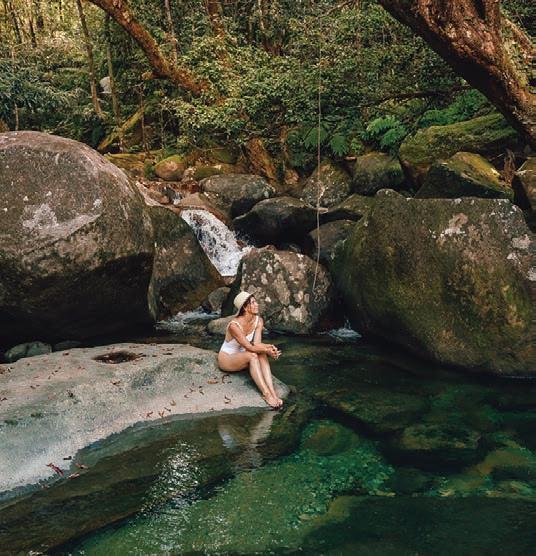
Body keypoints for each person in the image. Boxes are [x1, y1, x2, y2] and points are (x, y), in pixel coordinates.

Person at [218, 291, 283, 409]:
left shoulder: (258, 320)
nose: (257, 304)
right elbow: (249, 347)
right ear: (244, 307)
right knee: (252, 355)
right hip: (227, 359)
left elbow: (257, 344)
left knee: (261, 353)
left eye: (255, 301)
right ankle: (266, 394)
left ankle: (273, 392)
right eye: (253, 303)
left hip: (242, 354)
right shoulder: (234, 326)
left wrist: (269, 348)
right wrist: (267, 349)